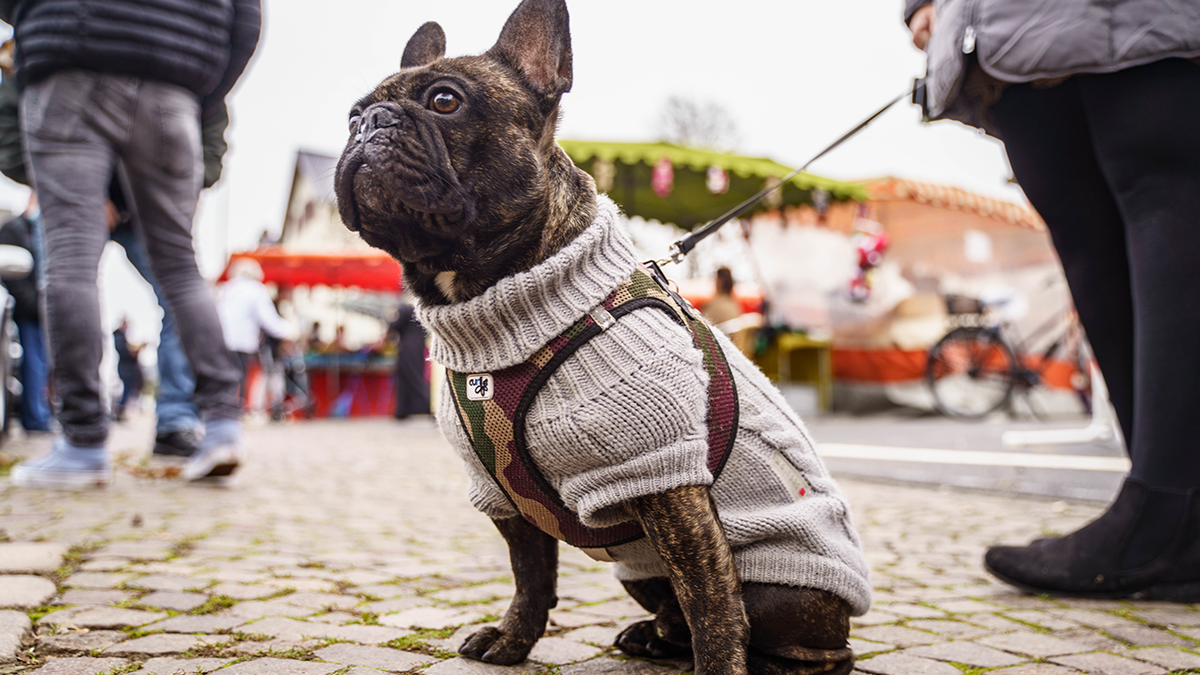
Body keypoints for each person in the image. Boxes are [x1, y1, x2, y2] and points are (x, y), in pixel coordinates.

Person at [906, 1, 1200, 600]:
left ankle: (1172, 503)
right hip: (1008, 35)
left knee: (1163, 194)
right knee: (1085, 233)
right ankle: (1163, 508)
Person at [5, 0, 262, 486]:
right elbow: (247, 17)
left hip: (68, 62)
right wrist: (200, 92)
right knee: (182, 270)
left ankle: (82, 442)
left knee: (69, 267)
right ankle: (223, 424)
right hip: (173, 79)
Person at [217, 258, 295, 410]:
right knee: (241, 378)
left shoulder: (226, 288)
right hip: (242, 343)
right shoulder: (256, 289)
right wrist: (290, 331)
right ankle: (236, 413)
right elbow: (269, 320)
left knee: (226, 379)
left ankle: (224, 412)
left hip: (221, 341)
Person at [0, 194, 49, 433]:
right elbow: (16, 279)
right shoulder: (15, 228)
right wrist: (36, 306)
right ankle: (36, 419)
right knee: (34, 364)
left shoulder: (38, 230)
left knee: (43, 365)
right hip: (24, 312)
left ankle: (42, 416)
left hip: (40, 312)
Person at [387, 298, 429, 419]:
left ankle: (425, 407)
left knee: (409, 376)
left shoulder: (404, 308)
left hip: (407, 347)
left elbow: (395, 325)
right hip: (419, 346)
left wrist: (390, 316)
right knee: (415, 376)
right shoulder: (421, 308)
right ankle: (404, 411)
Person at [111, 319, 144, 421]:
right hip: (126, 369)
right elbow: (124, 352)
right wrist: (134, 351)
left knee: (127, 390)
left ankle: (120, 411)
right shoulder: (119, 337)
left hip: (127, 368)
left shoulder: (122, 337)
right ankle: (119, 411)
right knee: (126, 390)